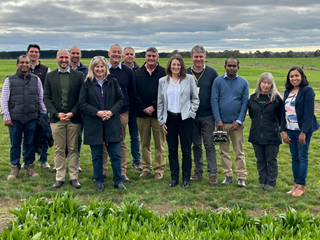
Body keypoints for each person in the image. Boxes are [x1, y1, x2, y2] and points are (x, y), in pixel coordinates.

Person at [79, 56, 126, 191]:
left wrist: (111, 112)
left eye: (102, 66)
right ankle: (99, 180)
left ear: (106, 68)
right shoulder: (87, 83)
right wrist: (97, 112)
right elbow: (82, 103)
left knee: (115, 154)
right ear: (92, 68)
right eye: (97, 66)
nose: (99, 69)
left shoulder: (113, 81)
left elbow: (120, 99)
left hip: (112, 122)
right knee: (97, 155)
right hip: (94, 123)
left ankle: (118, 181)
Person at [1, 55, 47, 180]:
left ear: (29, 64)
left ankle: (29, 168)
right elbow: (4, 100)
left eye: (27, 62)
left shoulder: (36, 80)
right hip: (15, 119)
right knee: (15, 145)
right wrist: (6, 116)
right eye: (22, 62)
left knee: (30, 143)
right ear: (17, 64)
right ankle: (14, 169)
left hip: (32, 118)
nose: (24, 64)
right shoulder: (9, 80)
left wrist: (44, 114)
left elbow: (40, 99)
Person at [43, 49, 84, 189]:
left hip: (74, 118)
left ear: (70, 58)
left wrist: (72, 113)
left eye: (66, 57)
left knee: (73, 148)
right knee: (59, 148)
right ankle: (59, 178)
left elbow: (81, 98)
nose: (64, 60)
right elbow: (46, 98)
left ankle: (74, 177)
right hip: (57, 119)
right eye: (61, 57)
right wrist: (56, 113)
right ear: (57, 58)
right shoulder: (50, 76)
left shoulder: (78, 76)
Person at [158, 54, 199, 188]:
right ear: (169, 66)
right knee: (172, 150)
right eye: (173, 64)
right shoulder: (163, 81)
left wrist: (191, 114)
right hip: (170, 119)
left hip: (185, 119)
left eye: (178, 64)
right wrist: (161, 121)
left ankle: (186, 179)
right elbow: (160, 103)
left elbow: (195, 99)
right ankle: (174, 178)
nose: (176, 67)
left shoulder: (189, 79)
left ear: (181, 66)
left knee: (186, 150)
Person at [280, 67, 319, 197]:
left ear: (301, 76)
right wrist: (283, 130)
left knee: (302, 157)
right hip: (290, 130)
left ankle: (301, 186)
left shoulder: (307, 91)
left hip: (302, 131)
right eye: (291, 76)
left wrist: (304, 132)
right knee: (294, 157)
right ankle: (296, 184)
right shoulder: (288, 91)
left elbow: (309, 113)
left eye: (296, 75)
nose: (294, 78)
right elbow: (283, 112)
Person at [211, 58, 249, 187]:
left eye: (234, 66)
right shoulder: (218, 81)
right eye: (229, 66)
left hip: (236, 124)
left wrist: (239, 120)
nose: (231, 68)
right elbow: (214, 101)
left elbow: (245, 103)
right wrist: (218, 119)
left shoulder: (243, 83)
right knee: (224, 151)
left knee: (239, 151)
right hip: (222, 124)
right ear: (225, 67)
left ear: (238, 67)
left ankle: (241, 176)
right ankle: (228, 175)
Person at [187, 45, 219, 186]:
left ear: (205, 57)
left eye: (201, 56)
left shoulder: (212, 73)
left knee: (209, 144)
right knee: (196, 145)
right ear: (191, 58)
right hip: (191, 115)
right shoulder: (186, 72)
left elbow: (217, 94)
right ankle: (198, 171)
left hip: (208, 115)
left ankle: (213, 173)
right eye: (196, 56)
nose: (198, 59)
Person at [105, 44, 136, 182]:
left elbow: (132, 92)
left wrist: (126, 108)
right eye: (114, 52)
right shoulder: (102, 69)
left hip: (122, 112)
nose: (116, 54)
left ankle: (122, 172)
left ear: (122, 55)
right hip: (104, 113)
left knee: (121, 142)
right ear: (109, 53)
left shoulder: (128, 72)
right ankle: (103, 171)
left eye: (119, 52)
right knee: (104, 142)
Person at [135, 47, 166, 180]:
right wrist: (143, 108)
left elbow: (165, 93)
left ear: (157, 57)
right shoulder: (137, 72)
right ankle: (146, 167)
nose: (151, 58)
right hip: (142, 114)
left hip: (158, 114)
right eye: (149, 56)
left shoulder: (164, 72)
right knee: (144, 142)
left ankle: (159, 169)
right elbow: (134, 93)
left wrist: (153, 106)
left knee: (160, 143)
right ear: (145, 57)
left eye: (154, 56)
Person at [248, 72, 283, 191]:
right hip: (256, 134)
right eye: (264, 82)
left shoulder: (277, 99)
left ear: (272, 84)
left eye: (268, 83)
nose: (266, 85)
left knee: (271, 160)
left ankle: (271, 182)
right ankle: (262, 181)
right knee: (260, 159)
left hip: (272, 135)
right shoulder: (253, 98)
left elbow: (280, 117)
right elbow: (252, 115)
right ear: (260, 83)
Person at [24, 44, 51, 169]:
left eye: (36, 52)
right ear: (27, 53)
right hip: (26, 109)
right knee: (28, 135)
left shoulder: (46, 70)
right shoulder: (23, 68)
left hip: (42, 109)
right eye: (31, 51)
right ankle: (27, 159)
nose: (33, 54)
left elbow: (48, 89)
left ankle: (43, 159)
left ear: (39, 54)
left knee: (44, 134)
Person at [68, 46, 89, 173]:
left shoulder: (86, 70)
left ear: (80, 55)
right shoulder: (63, 68)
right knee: (62, 137)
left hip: (80, 108)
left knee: (78, 137)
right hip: (64, 108)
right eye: (73, 53)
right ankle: (60, 162)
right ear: (69, 54)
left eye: (78, 53)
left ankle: (76, 162)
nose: (75, 55)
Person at [122, 46, 142, 171]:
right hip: (122, 108)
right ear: (123, 56)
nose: (129, 56)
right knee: (120, 137)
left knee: (135, 136)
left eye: (131, 54)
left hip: (135, 109)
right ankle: (119, 160)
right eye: (127, 54)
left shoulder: (139, 70)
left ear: (134, 56)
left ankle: (136, 161)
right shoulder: (118, 70)